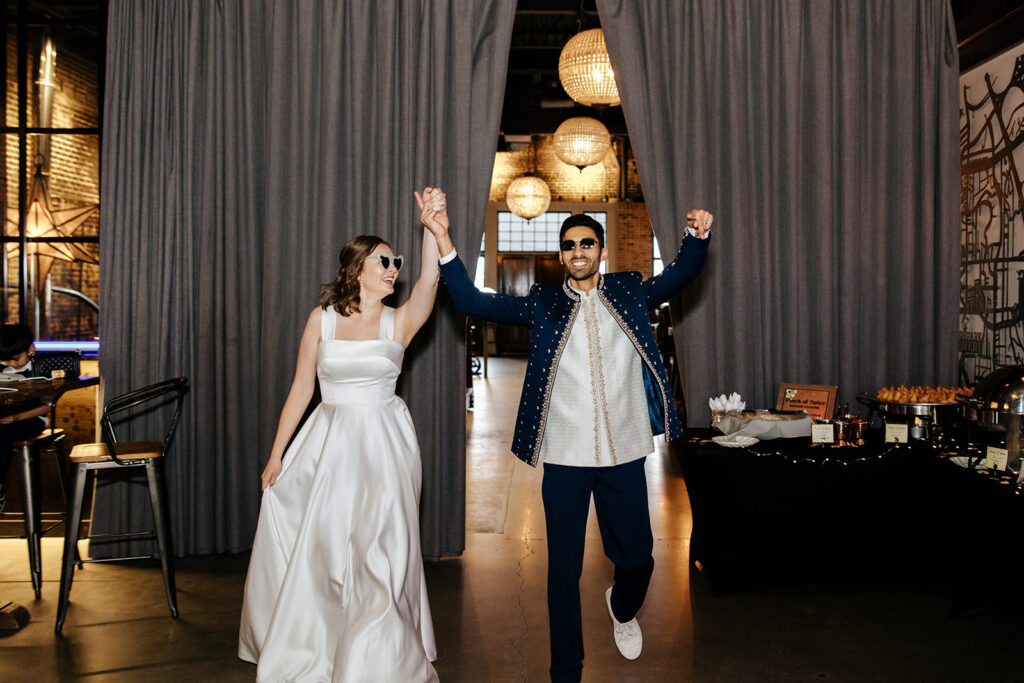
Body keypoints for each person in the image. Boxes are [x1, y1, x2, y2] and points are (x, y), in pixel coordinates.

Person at [425, 208, 713, 682]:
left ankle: (623, 607)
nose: (578, 251)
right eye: (569, 245)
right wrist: (443, 239)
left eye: (586, 243)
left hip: (625, 451)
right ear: (561, 256)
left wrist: (695, 238)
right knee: (562, 572)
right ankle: (565, 671)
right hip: (565, 457)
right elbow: (471, 300)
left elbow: (681, 273)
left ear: (602, 250)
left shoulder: (630, 291)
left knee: (638, 558)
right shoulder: (542, 303)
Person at [238, 188, 449, 682]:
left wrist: (431, 227)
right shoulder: (323, 320)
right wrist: (276, 455)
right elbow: (301, 389)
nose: (393, 270)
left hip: (384, 447)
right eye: (383, 262)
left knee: (381, 550)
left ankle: (379, 658)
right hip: (329, 445)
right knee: (327, 548)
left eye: (395, 262)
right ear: (357, 270)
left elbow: (430, 280)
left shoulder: (400, 322)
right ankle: (319, 644)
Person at [0, 323, 49, 514]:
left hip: (31, 419)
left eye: (16, 359)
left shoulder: (42, 369)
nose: (10, 364)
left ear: (31, 348)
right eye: (5, 360)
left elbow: (48, 406)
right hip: (4, 420)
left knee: (3, 435)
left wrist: (16, 417)